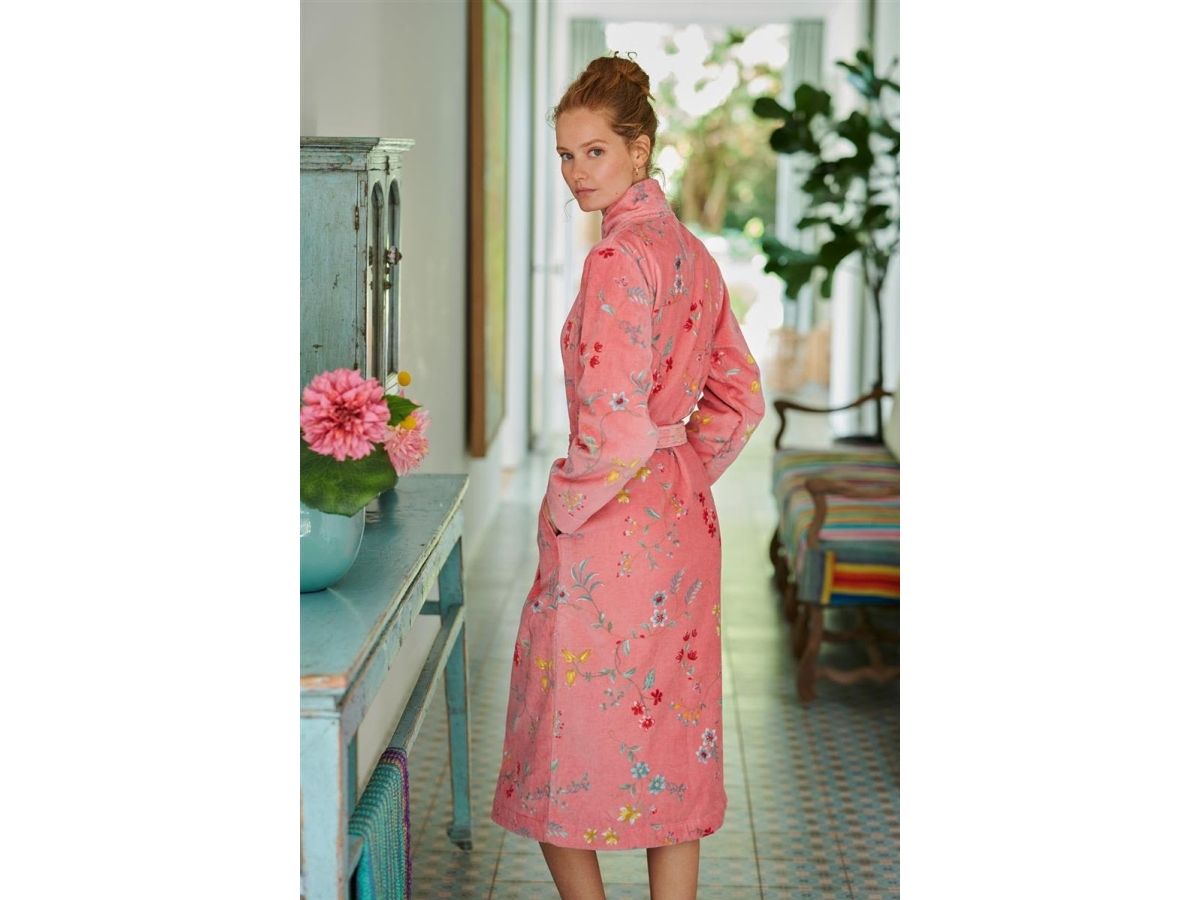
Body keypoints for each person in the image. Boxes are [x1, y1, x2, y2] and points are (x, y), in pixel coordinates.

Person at [491, 53, 765, 900]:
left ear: (639, 150)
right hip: (680, 524)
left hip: (611, 533)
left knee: (556, 746)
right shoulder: (692, 254)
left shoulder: (617, 258)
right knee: (668, 748)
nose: (577, 172)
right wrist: (683, 468)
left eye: (595, 152)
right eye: (566, 155)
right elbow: (742, 398)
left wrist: (564, 507)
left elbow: (610, 426)